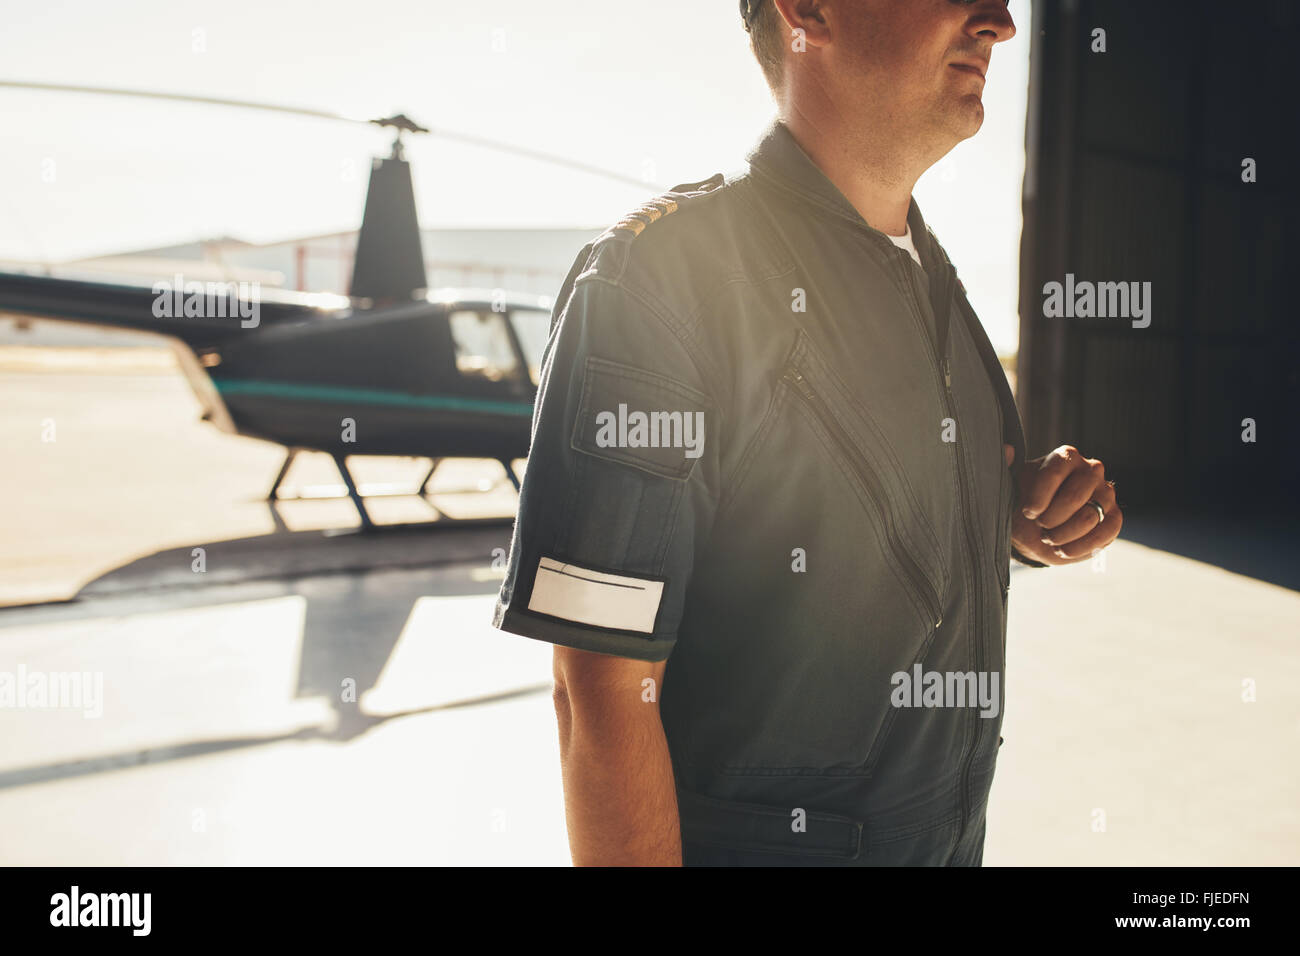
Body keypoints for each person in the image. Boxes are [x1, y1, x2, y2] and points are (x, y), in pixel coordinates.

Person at [492, 0, 1122, 866]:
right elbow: (599, 691)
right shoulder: (662, 282)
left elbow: (859, 526)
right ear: (811, 13)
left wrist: (1022, 519)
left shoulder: (940, 287)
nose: (1001, 21)